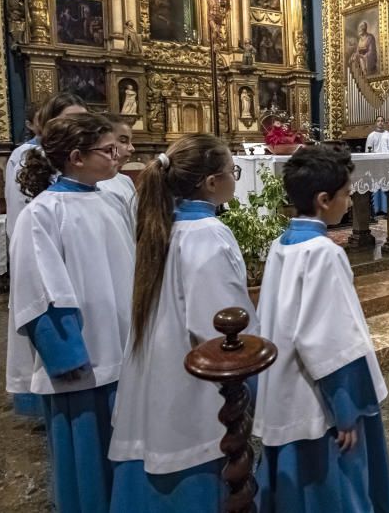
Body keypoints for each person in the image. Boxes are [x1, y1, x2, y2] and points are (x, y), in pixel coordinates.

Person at [109, 135, 256, 511]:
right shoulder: (208, 235)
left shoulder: (163, 226)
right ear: (212, 183)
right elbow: (223, 326)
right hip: (195, 385)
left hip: (158, 367)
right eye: (231, 172)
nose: (233, 178)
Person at [253, 146, 389, 512]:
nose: (349, 203)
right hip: (319, 399)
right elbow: (331, 340)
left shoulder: (280, 243)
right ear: (323, 199)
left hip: (283, 385)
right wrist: (345, 408)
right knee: (333, 488)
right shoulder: (323, 253)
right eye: (347, 194)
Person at [6, 113, 135, 513]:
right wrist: (65, 356)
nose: (118, 156)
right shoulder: (43, 213)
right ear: (77, 157)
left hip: (121, 344)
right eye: (109, 150)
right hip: (82, 357)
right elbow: (39, 289)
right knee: (87, 454)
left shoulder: (107, 200)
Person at [5, 92, 88, 241]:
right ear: (49, 123)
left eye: (84, 120)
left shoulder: (88, 158)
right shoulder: (29, 161)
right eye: (69, 120)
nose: (78, 126)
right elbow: (20, 214)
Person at [97, 114, 137, 235]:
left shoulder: (125, 180)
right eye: (123, 141)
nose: (132, 148)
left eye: (131, 141)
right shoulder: (94, 183)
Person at [367, 116, 388, 215]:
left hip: (385, 163)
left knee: (384, 184)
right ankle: (376, 208)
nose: (380, 123)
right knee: (376, 185)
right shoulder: (372, 135)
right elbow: (368, 150)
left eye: (382, 121)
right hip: (375, 163)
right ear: (375, 123)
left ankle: (385, 208)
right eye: (378, 121)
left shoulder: (387, 134)